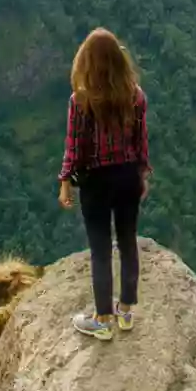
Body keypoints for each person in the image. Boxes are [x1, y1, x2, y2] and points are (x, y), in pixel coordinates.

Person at [56, 27, 151, 341]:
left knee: (99, 250)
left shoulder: (80, 101)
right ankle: (125, 311)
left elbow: (74, 145)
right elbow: (141, 143)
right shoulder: (135, 96)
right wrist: (142, 175)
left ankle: (102, 319)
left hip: (96, 182)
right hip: (127, 178)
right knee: (127, 242)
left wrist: (66, 182)